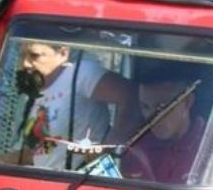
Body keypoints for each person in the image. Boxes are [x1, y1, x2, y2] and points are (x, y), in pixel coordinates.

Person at [10, 41, 138, 168]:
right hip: (47, 181)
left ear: (63, 53)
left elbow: (132, 97)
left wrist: (109, 148)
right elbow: (44, 149)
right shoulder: (35, 96)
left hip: (82, 181)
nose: (25, 63)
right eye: (22, 56)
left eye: (34, 55)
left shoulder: (80, 73)